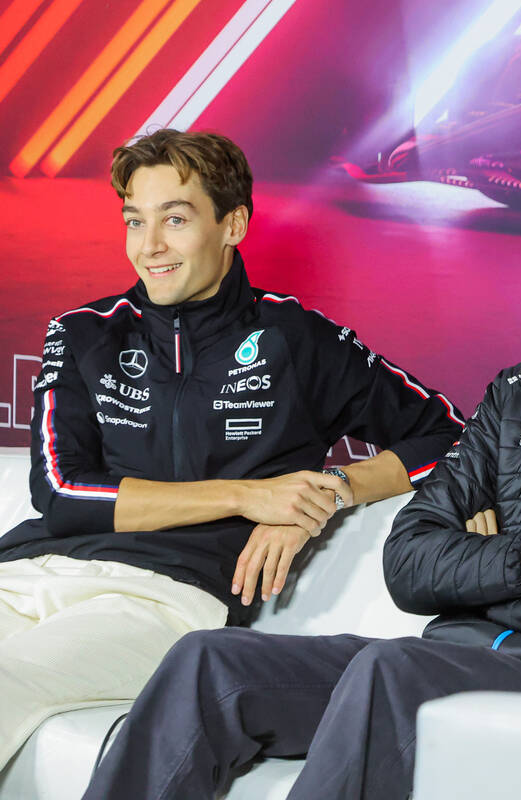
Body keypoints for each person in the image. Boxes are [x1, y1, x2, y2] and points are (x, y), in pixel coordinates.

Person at [83, 181, 521, 799]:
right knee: (209, 663)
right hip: (440, 661)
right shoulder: (520, 391)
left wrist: (472, 575)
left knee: (389, 669)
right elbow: (407, 563)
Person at [0, 129, 464, 768]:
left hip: (161, 599)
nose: (149, 246)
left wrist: (327, 494)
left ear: (234, 223)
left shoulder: (296, 338)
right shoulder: (84, 333)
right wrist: (250, 496)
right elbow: (58, 493)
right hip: (28, 573)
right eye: (136, 220)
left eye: (176, 219)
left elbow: (451, 436)